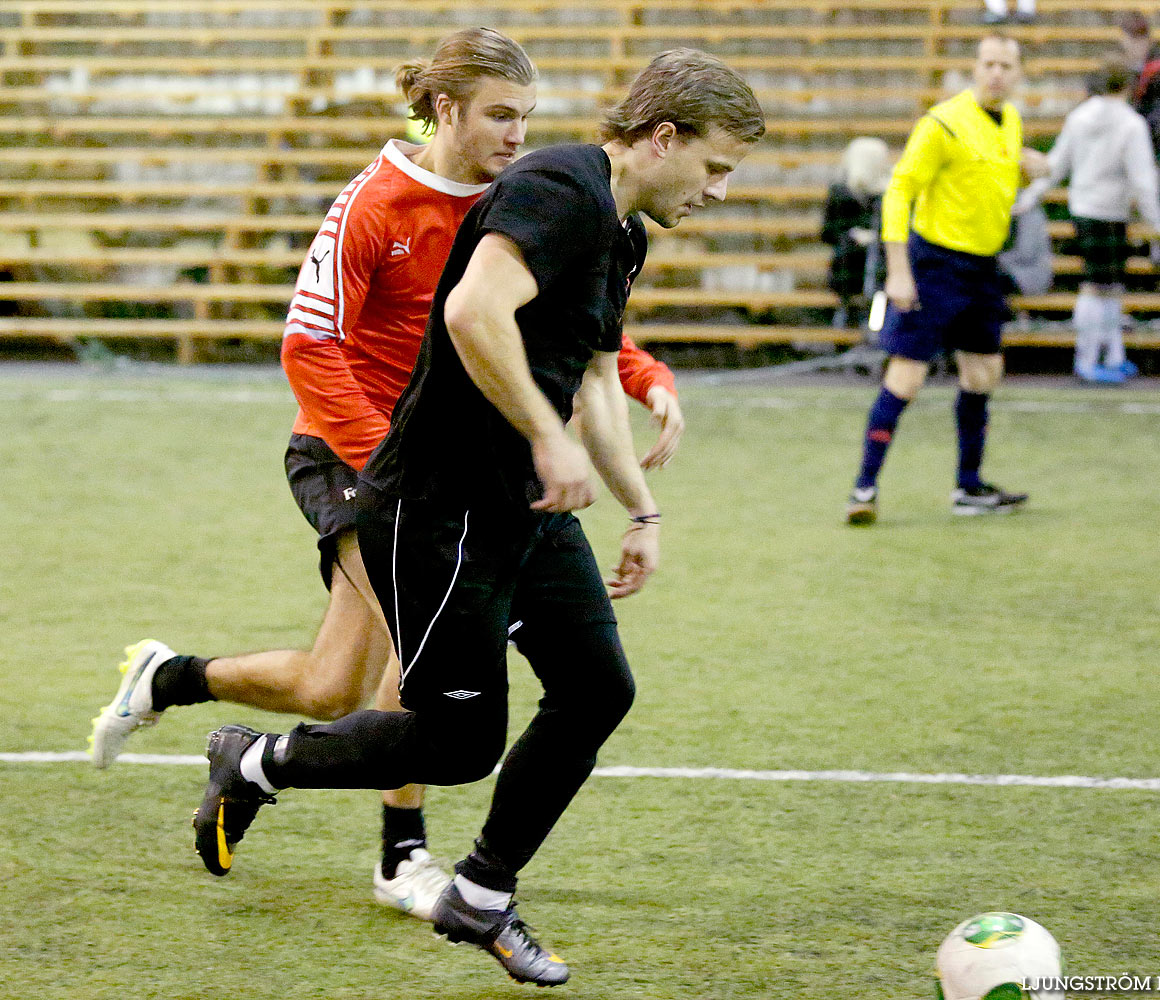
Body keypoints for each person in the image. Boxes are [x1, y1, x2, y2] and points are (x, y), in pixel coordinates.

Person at [186, 48, 764, 987]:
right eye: (716, 168)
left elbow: (591, 376)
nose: (720, 193)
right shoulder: (559, 185)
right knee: (457, 743)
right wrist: (546, 438)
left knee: (596, 689)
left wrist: (642, 509)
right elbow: (472, 311)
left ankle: (482, 893)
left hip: (524, 504)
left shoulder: (621, 233)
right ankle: (253, 763)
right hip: (440, 503)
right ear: (664, 139)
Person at [90, 26, 685, 926]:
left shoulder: (524, 197)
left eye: (526, 117)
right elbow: (309, 347)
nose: (518, 135)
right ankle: (400, 856)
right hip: (356, 453)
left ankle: (172, 679)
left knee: (332, 687)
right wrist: (394, 472)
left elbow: (569, 317)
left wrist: (644, 378)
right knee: (428, 657)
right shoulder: (375, 201)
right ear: (443, 109)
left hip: (433, 464)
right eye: (499, 115)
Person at [845, 33, 1048, 526]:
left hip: (982, 269)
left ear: (1018, 73)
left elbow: (989, 179)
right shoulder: (942, 123)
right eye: (988, 63)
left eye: (1006, 65)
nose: (996, 72)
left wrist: (1024, 171)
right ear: (974, 69)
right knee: (907, 378)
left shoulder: (1012, 121)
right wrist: (897, 270)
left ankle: (969, 486)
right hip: (933, 265)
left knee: (983, 374)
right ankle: (863, 490)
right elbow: (899, 193)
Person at [1018, 57, 1160, 384]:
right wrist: (1158, 225)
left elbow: (1056, 164)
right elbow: (1143, 181)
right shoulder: (1131, 124)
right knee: (1098, 287)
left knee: (1109, 287)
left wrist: (1030, 196)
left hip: (1084, 209)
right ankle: (1086, 359)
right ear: (1128, 86)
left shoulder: (1080, 117)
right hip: (1111, 212)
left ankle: (1113, 356)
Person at [1116, 10, 1160, 212]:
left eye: (1141, 39)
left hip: (1154, 126)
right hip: (1122, 127)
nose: (1137, 44)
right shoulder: (1116, 65)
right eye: (1132, 39)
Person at [821, 137, 892, 329]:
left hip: (879, 262)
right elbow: (827, 233)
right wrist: (853, 235)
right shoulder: (841, 192)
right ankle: (847, 313)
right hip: (850, 263)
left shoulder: (888, 195)